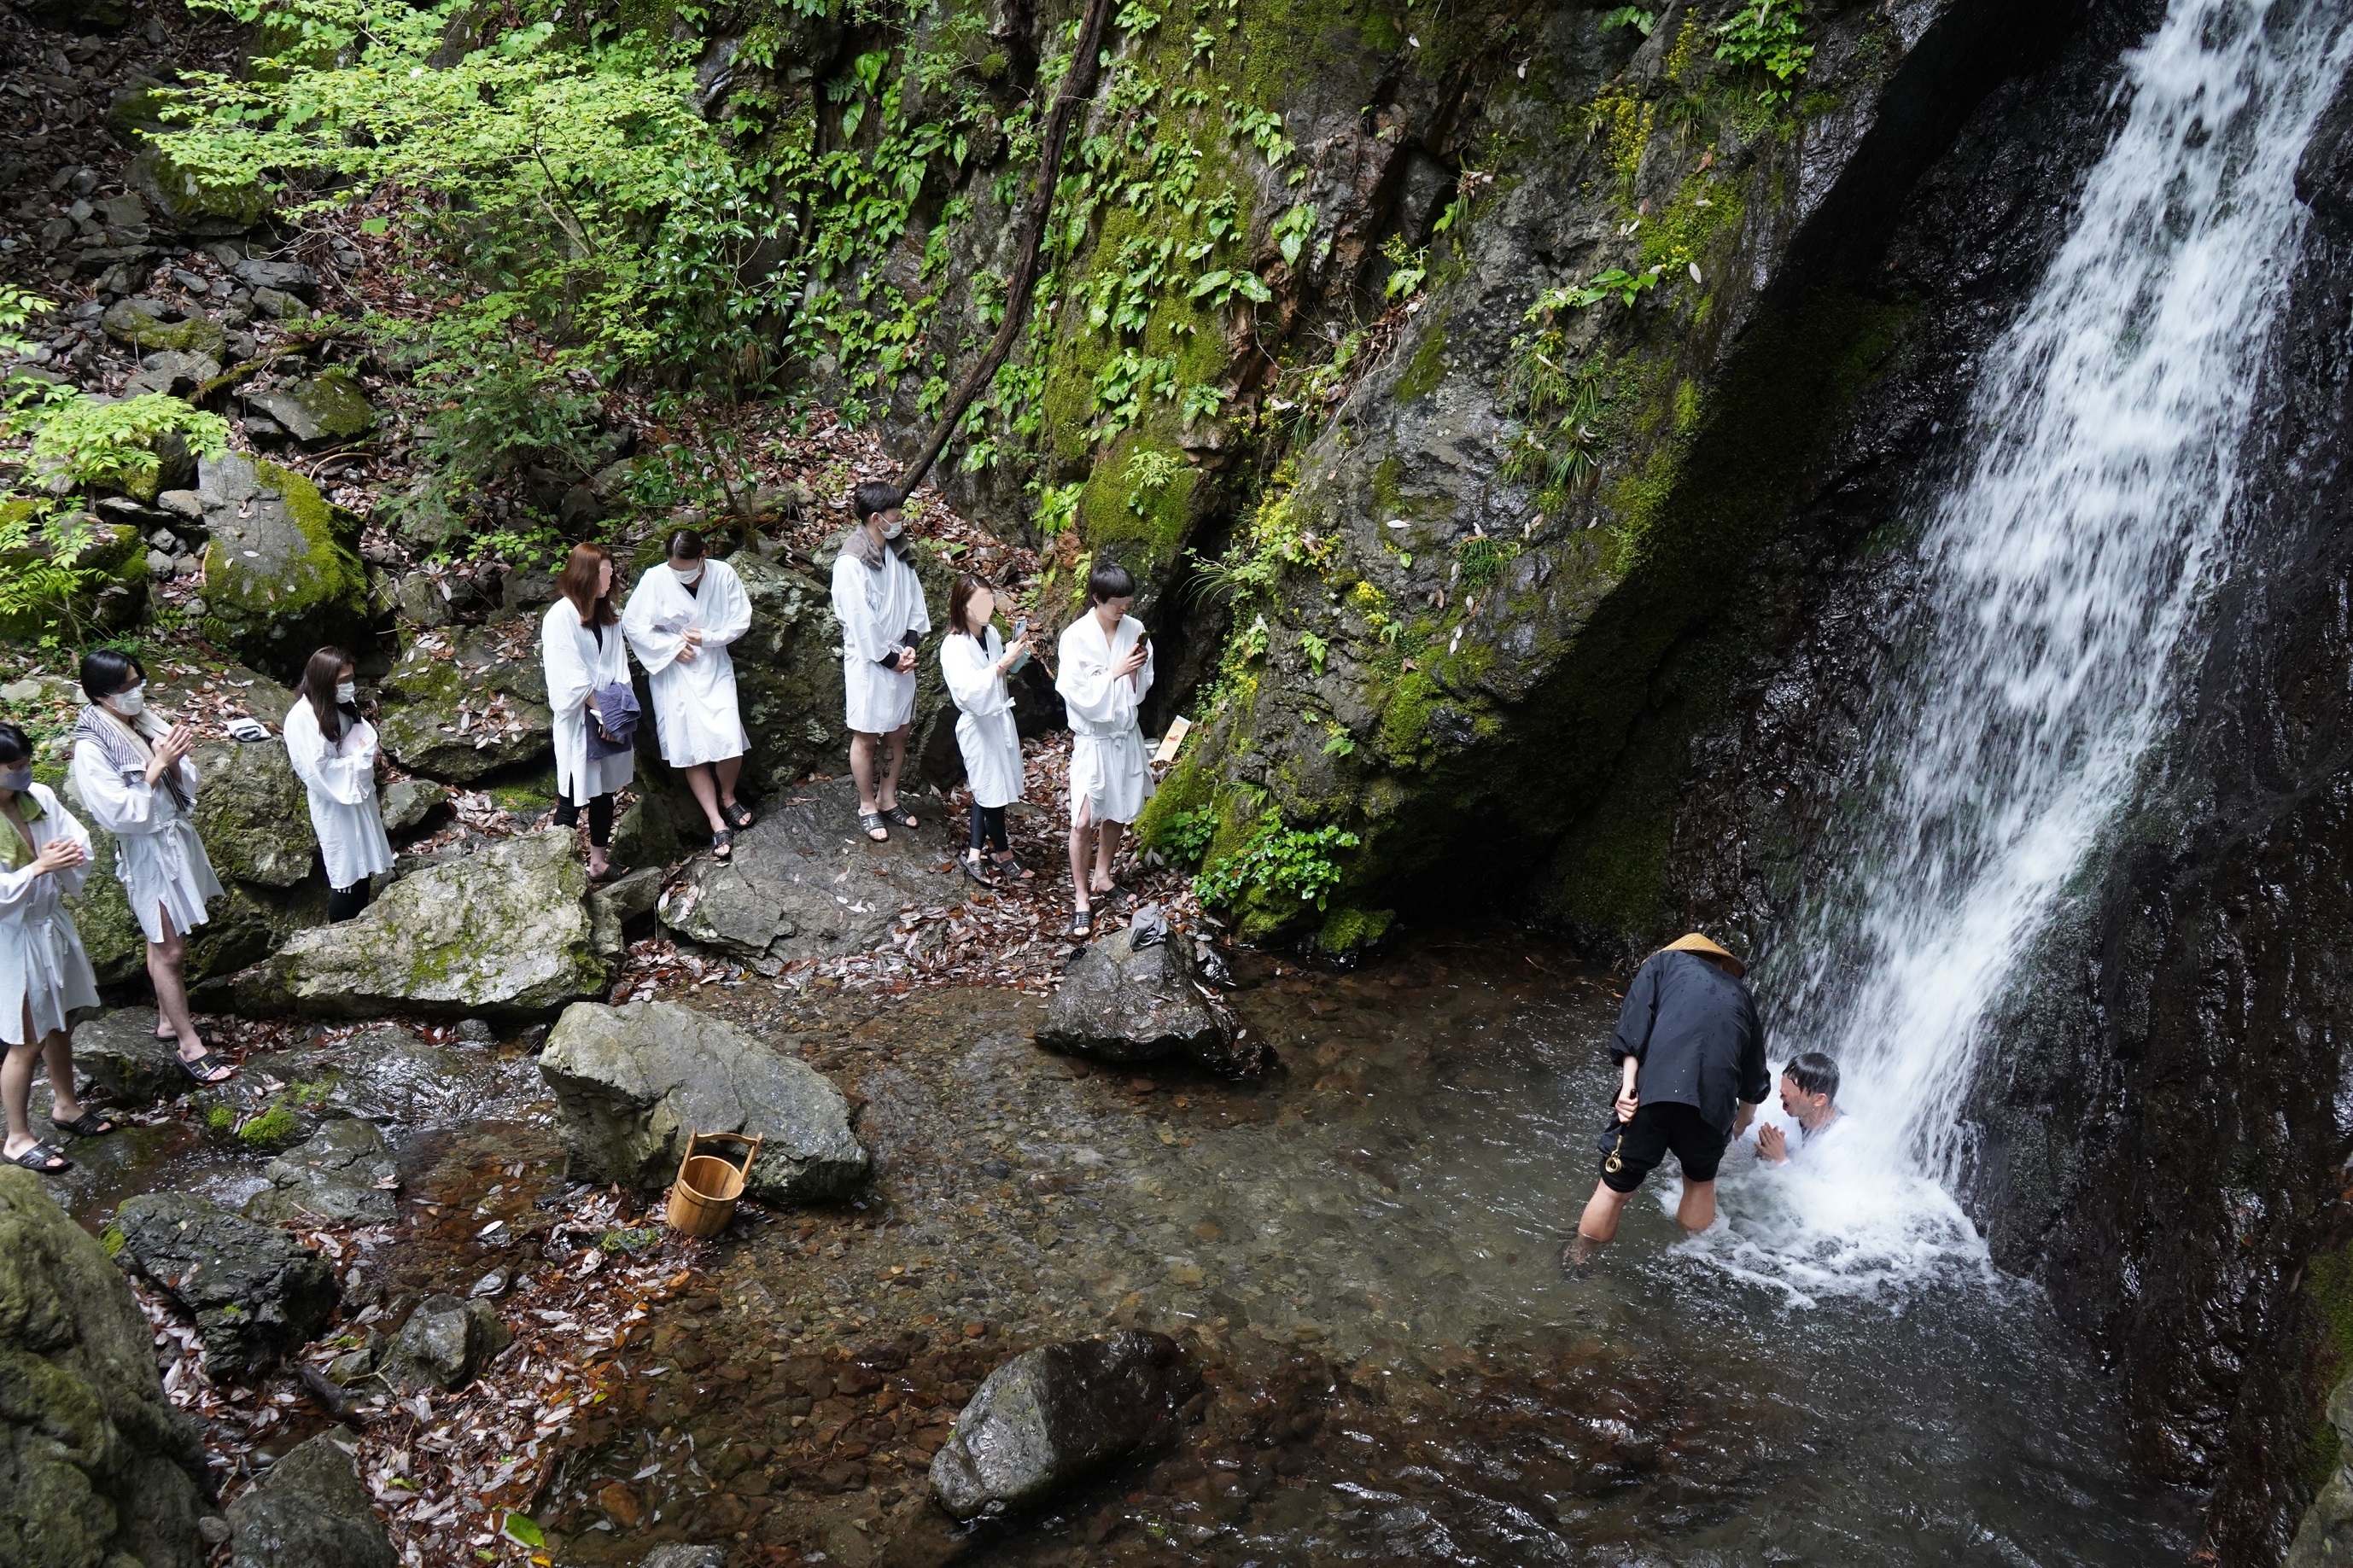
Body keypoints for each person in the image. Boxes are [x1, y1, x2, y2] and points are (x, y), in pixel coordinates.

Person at [69, 650, 233, 1084]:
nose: (136, 691)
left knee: (161, 935)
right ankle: (188, 1044)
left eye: (139, 681)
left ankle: (166, 1020)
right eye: (126, 687)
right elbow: (117, 812)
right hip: (146, 851)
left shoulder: (143, 721)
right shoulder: (91, 746)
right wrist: (157, 766)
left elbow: (186, 780)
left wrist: (176, 760)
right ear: (101, 695)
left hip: (174, 836)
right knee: (169, 949)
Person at [1565, 932, 1767, 1265]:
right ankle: (1691, 1259)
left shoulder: (1661, 964)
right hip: (1713, 1105)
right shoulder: (1740, 994)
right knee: (1700, 1182)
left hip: (1655, 1090)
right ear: (1719, 963)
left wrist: (1629, 1086)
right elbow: (1753, 1071)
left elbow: (1634, 1028)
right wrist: (1743, 1119)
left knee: (1613, 1189)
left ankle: (1579, 1257)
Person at [0, 720, 111, 1173]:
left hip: (50, 924)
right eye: (13, 766)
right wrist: (38, 868)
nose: (23, 772)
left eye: (26, 763)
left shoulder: (38, 798)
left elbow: (74, 836)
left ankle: (66, 1105)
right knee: (26, 1039)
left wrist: (69, 855)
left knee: (60, 1023)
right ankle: (17, 1137)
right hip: (14, 938)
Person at [622, 528, 755, 862]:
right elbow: (633, 623)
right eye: (675, 567)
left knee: (727, 736)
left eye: (687, 566)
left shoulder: (723, 575)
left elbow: (741, 619)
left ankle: (728, 796)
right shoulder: (655, 579)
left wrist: (708, 637)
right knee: (690, 745)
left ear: (703, 555)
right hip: (674, 671)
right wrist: (671, 647)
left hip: (712, 662)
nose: (681, 573)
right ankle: (714, 819)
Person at [1055, 558, 1153, 939]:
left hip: (1124, 734)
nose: (1124, 608)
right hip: (1093, 739)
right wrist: (1113, 673)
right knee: (1082, 820)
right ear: (1097, 598)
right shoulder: (1075, 637)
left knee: (1117, 808)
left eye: (1128, 601)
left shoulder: (1136, 629)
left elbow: (1143, 687)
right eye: (1117, 602)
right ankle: (1081, 898)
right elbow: (1075, 694)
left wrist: (1134, 673)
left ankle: (1103, 876)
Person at [832, 481, 931, 845]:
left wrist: (910, 644)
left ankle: (889, 797)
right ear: (877, 518)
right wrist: (890, 658)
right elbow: (859, 621)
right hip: (870, 662)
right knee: (866, 734)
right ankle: (866, 805)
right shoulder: (850, 562)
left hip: (899, 657)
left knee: (900, 730)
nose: (900, 519)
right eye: (895, 514)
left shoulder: (897, 551)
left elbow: (913, 600)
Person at [543, 542, 635, 882]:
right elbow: (569, 676)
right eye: (604, 572)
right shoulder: (560, 617)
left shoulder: (608, 615)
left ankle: (598, 862)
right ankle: (555, 873)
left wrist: (615, 715)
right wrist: (606, 715)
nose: (610, 579)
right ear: (585, 575)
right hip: (580, 720)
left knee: (605, 790)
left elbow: (618, 667)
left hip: (608, 713)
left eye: (611, 572)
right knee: (571, 793)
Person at [283, 646, 394, 922]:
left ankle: (357, 928)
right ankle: (339, 933)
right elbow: (316, 770)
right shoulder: (302, 718)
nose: (349, 686)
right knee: (345, 873)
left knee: (363, 868)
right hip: (334, 802)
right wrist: (358, 759)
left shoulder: (342, 704)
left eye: (351, 679)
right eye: (342, 681)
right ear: (323, 681)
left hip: (358, 795)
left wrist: (364, 752)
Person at [940, 573, 1032, 885]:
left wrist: (1016, 654)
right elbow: (967, 691)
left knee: (992, 788)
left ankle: (976, 853)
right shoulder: (953, 646)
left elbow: (1005, 671)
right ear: (962, 606)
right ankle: (1002, 853)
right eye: (978, 602)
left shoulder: (991, 634)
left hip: (999, 720)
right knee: (988, 788)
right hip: (978, 725)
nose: (986, 607)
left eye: (989, 599)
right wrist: (1002, 664)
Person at [1756, 1050, 1844, 1163]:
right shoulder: (1778, 1115)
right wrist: (1763, 1154)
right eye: (1785, 1081)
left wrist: (1780, 1161)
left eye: (1793, 1086)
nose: (1782, 1090)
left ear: (1819, 1099)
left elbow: (1829, 1181)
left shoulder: (1843, 1139)